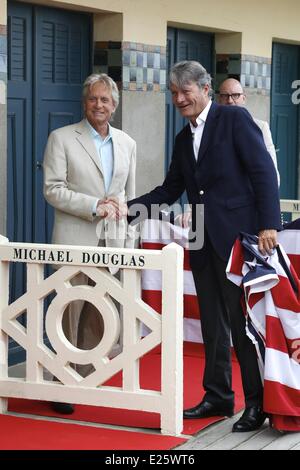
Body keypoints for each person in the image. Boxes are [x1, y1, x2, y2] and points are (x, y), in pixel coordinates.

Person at [127, 61, 282, 432]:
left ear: (205, 89)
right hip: (200, 241)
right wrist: (129, 208)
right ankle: (218, 396)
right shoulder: (183, 139)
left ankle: (256, 403)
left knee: (241, 323)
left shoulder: (234, 119)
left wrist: (268, 224)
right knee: (212, 322)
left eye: (186, 91)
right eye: (174, 93)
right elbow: (171, 189)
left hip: (237, 240)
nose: (180, 99)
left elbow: (263, 170)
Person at [43, 73, 136, 414]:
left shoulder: (127, 143)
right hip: (74, 241)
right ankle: (62, 386)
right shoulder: (62, 138)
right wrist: (93, 206)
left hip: (113, 245)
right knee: (69, 315)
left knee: (101, 318)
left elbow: (130, 195)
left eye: (106, 100)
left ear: (115, 105)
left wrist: (128, 234)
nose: (99, 105)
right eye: (93, 99)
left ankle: (82, 380)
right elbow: (52, 189)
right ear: (85, 103)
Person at [218, 78, 280, 185]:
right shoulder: (211, 127)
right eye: (225, 96)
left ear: (244, 98)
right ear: (219, 99)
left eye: (236, 95)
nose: (230, 100)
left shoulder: (261, 127)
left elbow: (273, 173)